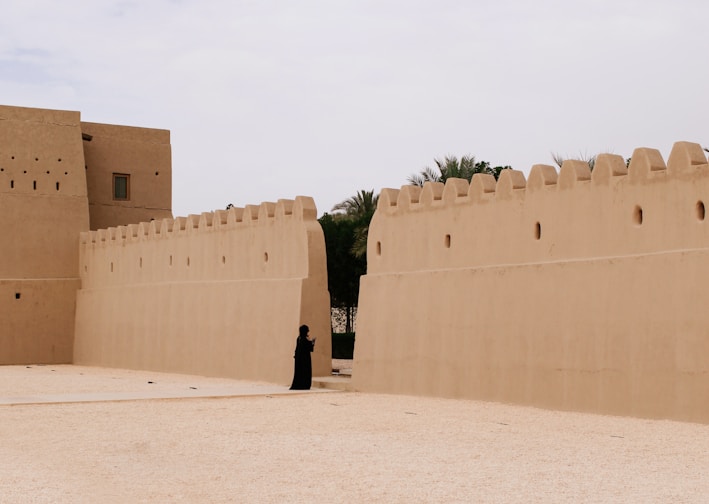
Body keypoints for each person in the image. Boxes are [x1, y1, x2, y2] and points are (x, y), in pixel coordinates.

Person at [290, 324, 316, 390]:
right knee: (305, 372)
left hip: (299, 359)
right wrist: (312, 342)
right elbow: (309, 348)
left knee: (299, 372)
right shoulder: (304, 339)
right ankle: (304, 385)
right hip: (305, 359)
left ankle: (299, 385)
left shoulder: (299, 338)